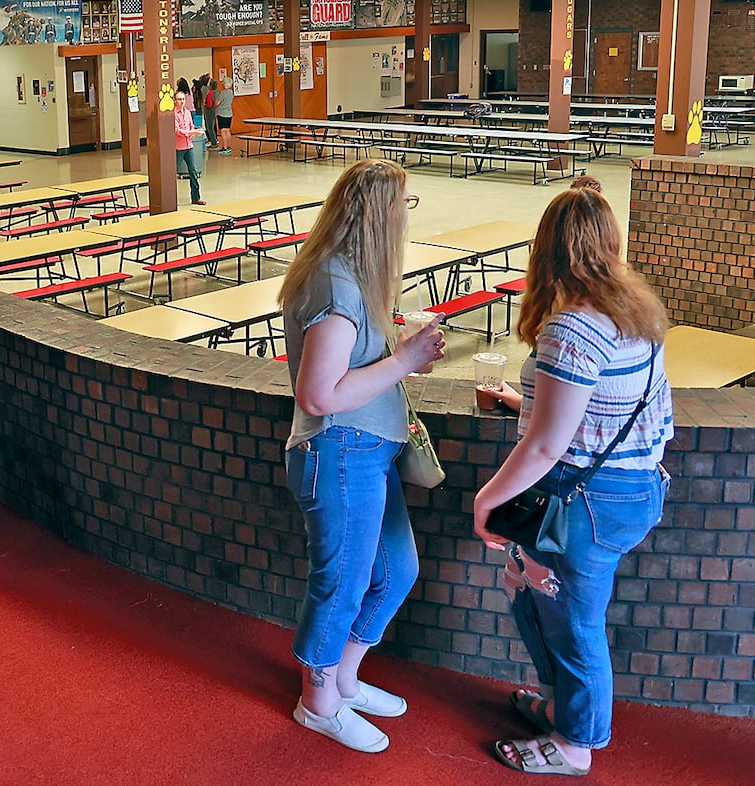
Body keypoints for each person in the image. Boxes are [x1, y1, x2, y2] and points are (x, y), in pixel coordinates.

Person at [473, 186, 672, 777]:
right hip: (634, 487)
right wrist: (526, 403)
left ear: (547, 250)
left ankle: (575, 743)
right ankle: (566, 710)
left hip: (586, 503)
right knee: (543, 598)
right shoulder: (635, 311)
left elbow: (545, 447)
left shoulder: (571, 328)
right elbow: (631, 412)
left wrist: (488, 500)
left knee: (574, 620)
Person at [278, 158, 445, 754]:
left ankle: (343, 676)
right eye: (406, 203)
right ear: (380, 216)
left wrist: (402, 355)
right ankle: (317, 701)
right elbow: (319, 394)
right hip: (339, 452)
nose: (408, 215)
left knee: (396, 571)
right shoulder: (336, 286)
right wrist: (402, 360)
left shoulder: (351, 276)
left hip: (367, 453)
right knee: (341, 584)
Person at [173, 88, 205, 205]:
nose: (181, 101)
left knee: (193, 171)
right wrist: (191, 133)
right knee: (173, 172)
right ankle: (170, 198)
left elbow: (190, 126)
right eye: (179, 99)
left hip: (188, 146)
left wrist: (193, 132)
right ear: (175, 101)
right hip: (178, 147)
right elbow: (177, 131)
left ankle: (196, 197)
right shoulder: (174, 114)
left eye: (183, 99)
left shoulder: (187, 112)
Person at [214, 75, 235, 154]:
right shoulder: (231, 92)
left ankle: (225, 147)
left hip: (222, 113)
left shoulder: (222, 93)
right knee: (227, 130)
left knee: (223, 131)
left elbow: (217, 103)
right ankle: (229, 146)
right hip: (229, 113)